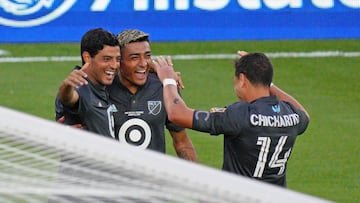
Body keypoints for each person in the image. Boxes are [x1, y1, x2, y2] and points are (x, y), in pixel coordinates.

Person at [153, 52, 310, 187]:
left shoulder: (240, 115)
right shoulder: (290, 115)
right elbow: (304, 114)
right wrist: (266, 80)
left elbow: (177, 114)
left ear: (242, 79)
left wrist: (168, 80)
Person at [107, 29, 198, 161]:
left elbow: (182, 142)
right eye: (134, 58)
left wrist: (195, 177)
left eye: (147, 56)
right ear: (119, 61)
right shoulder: (103, 87)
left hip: (152, 179)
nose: (143, 63)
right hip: (114, 179)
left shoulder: (164, 87)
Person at [56, 27, 121, 138]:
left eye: (118, 59)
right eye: (107, 59)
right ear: (87, 58)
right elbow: (68, 98)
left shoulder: (100, 85)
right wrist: (66, 86)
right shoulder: (79, 86)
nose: (114, 65)